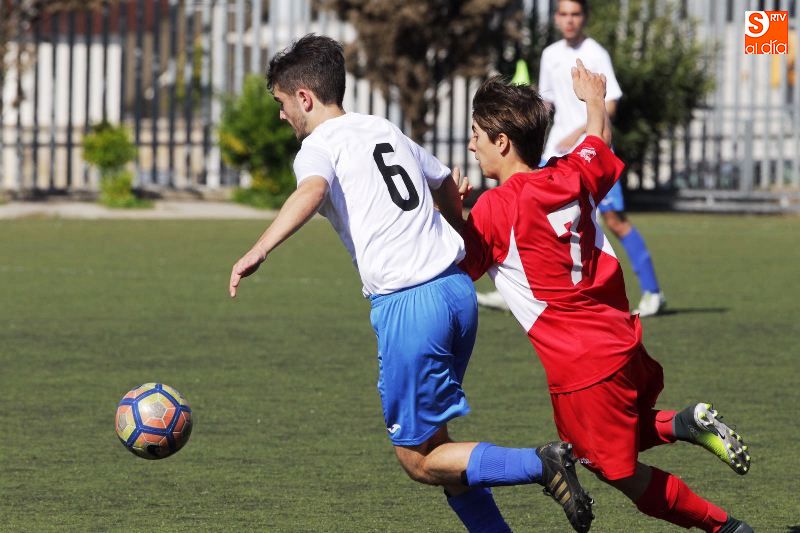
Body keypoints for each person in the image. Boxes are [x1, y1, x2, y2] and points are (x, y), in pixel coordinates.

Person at [228, 34, 594, 533]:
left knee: (417, 459)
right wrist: (455, 222)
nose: (281, 115)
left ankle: (541, 463)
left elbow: (312, 192)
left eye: (281, 103)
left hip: (409, 306)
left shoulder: (318, 146)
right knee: (441, 452)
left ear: (304, 98)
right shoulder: (382, 128)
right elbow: (444, 181)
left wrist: (260, 247)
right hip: (455, 292)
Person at [443, 64, 753, 532]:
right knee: (607, 441)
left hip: (581, 363)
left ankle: (725, 527)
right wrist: (593, 98)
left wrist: (451, 210)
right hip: (620, 337)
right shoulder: (571, 172)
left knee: (614, 470)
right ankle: (683, 424)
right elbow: (598, 141)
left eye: (475, 134)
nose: (471, 144)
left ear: (502, 142)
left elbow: (454, 265)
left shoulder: (495, 208)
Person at [477, 0, 665, 317]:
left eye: (575, 14)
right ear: (555, 18)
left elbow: (610, 105)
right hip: (553, 154)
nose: (569, 20)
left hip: (590, 151)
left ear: (585, 17)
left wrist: (577, 132)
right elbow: (546, 103)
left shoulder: (595, 53)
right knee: (527, 218)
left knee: (614, 222)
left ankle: (652, 292)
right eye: (563, 14)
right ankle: (514, 290)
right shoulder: (550, 54)